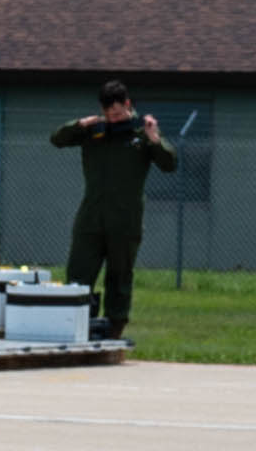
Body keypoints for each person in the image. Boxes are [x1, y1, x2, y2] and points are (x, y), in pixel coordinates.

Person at [45, 79, 176, 342]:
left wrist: (155, 138)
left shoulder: (141, 135)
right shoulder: (95, 133)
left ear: (128, 105)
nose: (113, 119)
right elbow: (57, 139)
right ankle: (80, 327)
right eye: (108, 114)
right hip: (91, 217)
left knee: (119, 276)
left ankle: (114, 330)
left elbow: (169, 164)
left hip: (125, 221)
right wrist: (79, 125)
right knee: (79, 275)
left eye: (117, 113)